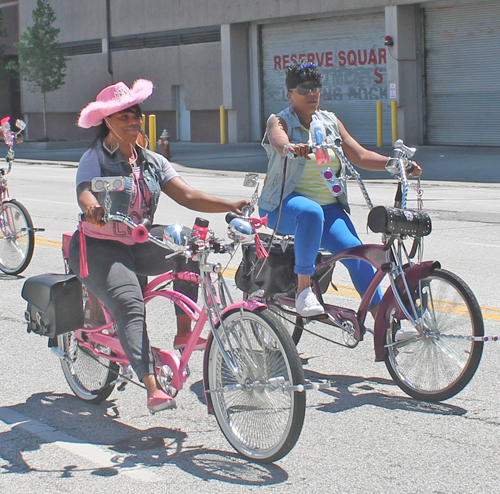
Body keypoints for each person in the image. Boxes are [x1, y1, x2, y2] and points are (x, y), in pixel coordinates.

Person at [68, 79, 249, 413]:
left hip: (139, 242)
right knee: (130, 305)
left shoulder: (151, 160)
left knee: (190, 243)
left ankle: (183, 333)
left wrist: (228, 204)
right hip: (98, 248)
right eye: (124, 116)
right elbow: (85, 192)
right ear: (108, 121)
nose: (133, 120)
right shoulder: (94, 158)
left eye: (136, 114)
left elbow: (188, 195)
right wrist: (91, 206)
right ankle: (153, 388)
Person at [259, 61, 421, 318]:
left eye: (315, 88)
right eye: (303, 89)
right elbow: (279, 141)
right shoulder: (279, 120)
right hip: (281, 206)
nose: (311, 93)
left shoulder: (330, 121)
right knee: (310, 212)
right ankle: (303, 292)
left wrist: (396, 164)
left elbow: (360, 155)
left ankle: (385, 321)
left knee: (358, 256)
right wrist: (290, 147)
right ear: (289, 94)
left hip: (329, 210)